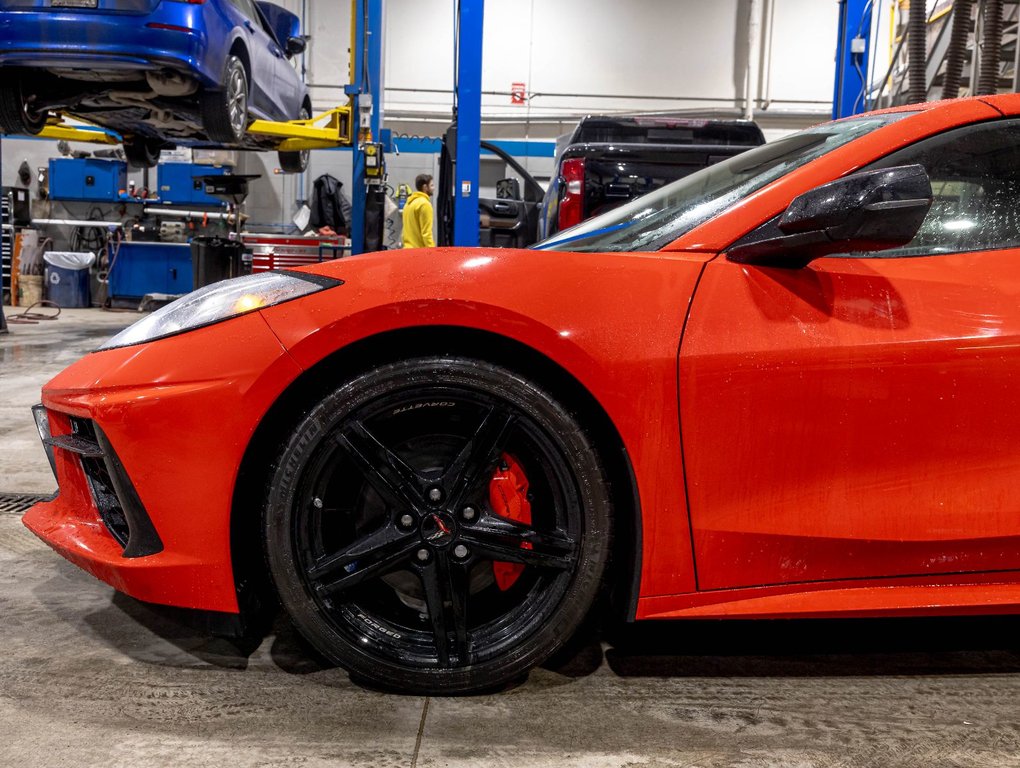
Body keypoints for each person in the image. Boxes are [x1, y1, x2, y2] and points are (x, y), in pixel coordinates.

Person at [402, 174, 436, 248]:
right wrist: (433, 252)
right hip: (418, 252)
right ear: (425, 187)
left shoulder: (408, 203)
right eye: (432, 185)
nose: (434, 188)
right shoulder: (424, 204)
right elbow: (426, 233)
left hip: (407, 250)